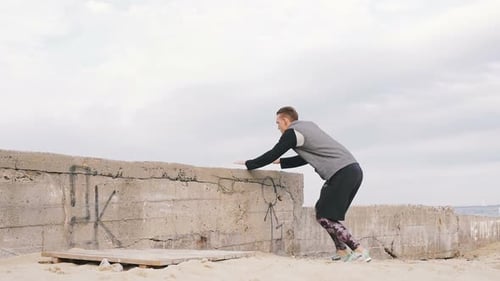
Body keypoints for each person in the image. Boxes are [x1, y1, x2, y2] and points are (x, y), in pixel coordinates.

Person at [235, 106, 371, 262]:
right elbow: (305, 158)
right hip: (352, 170)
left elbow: (274, 152)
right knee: (324, 213)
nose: (277, 127)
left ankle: (359, 250)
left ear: (286, 120)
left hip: (341, 173)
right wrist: (279, 161)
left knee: (324, 216)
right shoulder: (308, 127)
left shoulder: (292, 132)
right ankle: (342, 251)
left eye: (278, 123)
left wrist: (248, 163)